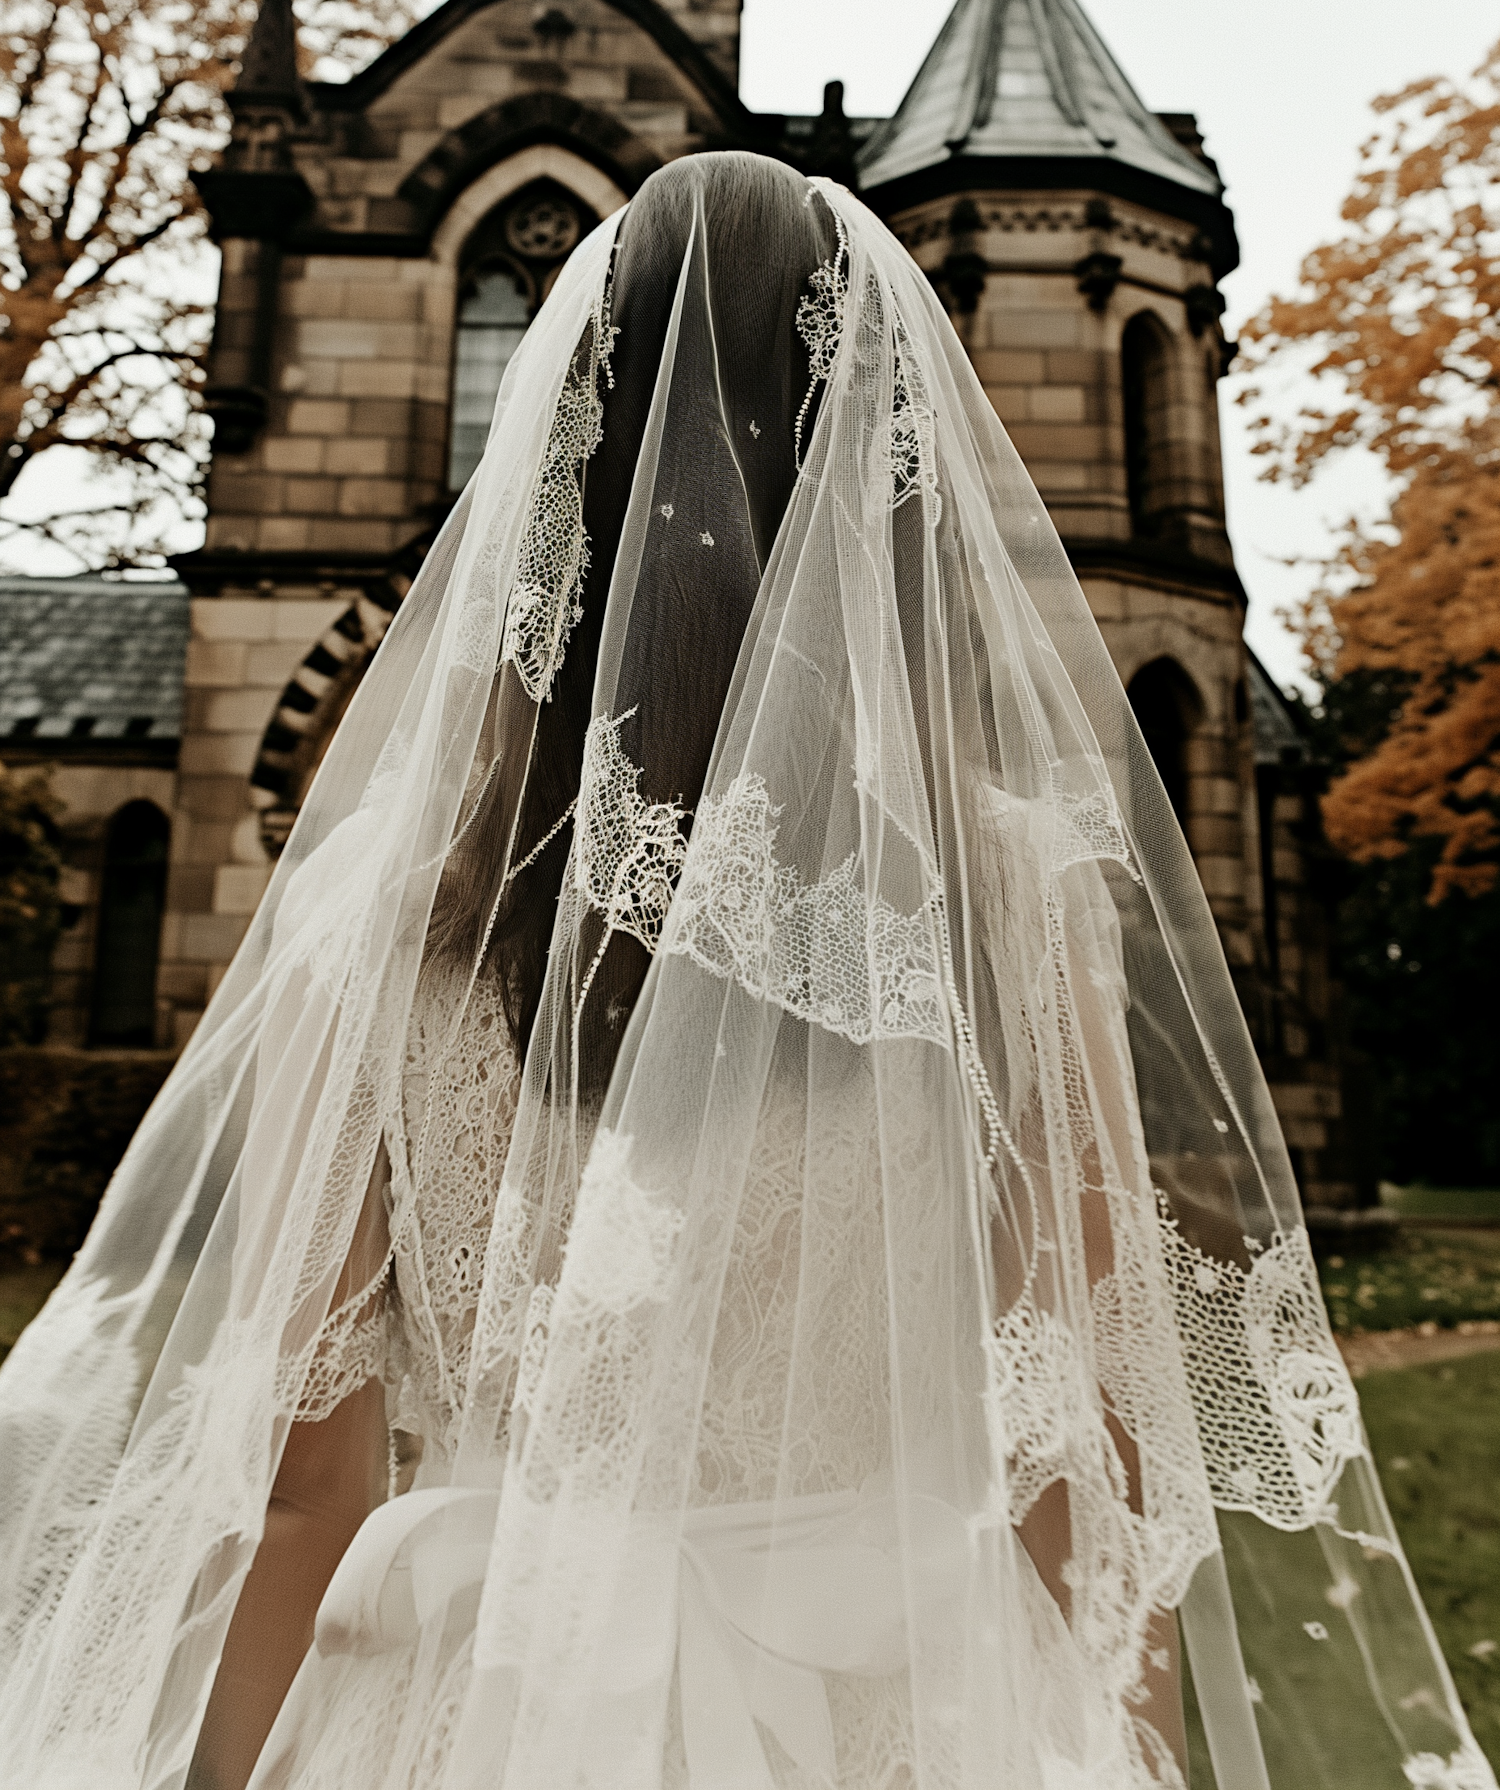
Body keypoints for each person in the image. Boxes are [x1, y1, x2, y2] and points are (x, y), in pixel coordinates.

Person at [0, 153, 1489, 1790]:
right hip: (902, 1717)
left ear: (558, 478)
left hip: (480, 1713)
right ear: (884, 478)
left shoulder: (387, 902)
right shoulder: (1002, 890)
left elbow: (301, 1467)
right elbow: (1089, 1430)